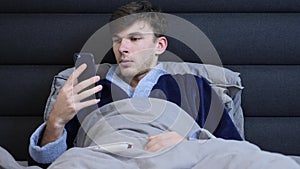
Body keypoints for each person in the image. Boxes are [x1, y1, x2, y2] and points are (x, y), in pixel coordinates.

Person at [27, 1, 299, 169]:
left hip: (179, 158)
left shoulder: (193, 86)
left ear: (159, 45)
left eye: (134, 38)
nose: (122, 48)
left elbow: (231, 147)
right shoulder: (89, 88)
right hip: (104, 157)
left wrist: (189, 141)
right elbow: (47, 163)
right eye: (117, 39)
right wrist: (56, 122)